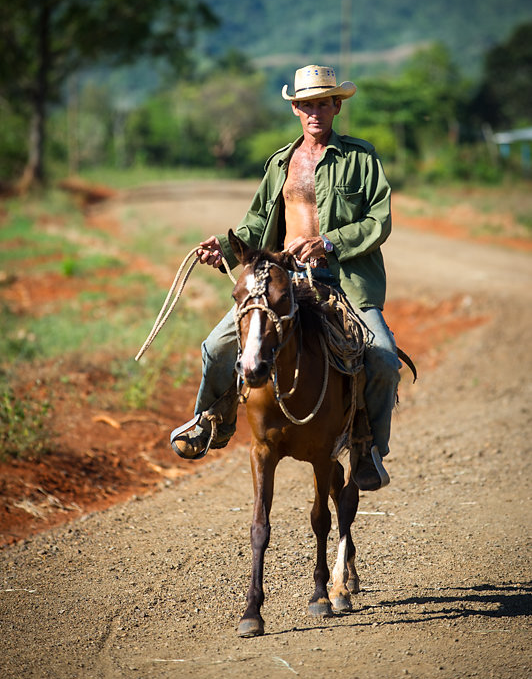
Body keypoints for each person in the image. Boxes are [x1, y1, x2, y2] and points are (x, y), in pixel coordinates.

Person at [171, 64, 401, 491]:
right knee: (217, 345)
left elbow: (379, 220)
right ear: (296, 108)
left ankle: (368, 448)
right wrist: (222, 248)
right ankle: (212, 420)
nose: (315, 112)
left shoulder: (362, 158)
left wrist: (328, 242)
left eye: (323, 103)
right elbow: (258, 220)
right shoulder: (281, 163)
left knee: (384, 359)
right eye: (306, 104)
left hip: (344, 283)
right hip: (285, 280)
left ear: (336, 106)